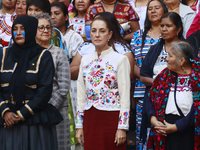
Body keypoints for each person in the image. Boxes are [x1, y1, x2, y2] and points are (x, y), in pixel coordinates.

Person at [0, 15, 62, 150]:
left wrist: (20, 115)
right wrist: (5, 112)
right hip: (6, 122)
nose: (18, 33)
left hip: (35, 123)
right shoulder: (3, 54)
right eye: (15, 29)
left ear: (31, 30)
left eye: (23, 29)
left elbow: (44, 92)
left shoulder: (43, 56)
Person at [76, 15, 130, 150]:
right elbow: (81, 95)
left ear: (110, 34)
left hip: (112, 117)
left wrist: (122, 127)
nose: (97, 35)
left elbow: (125, 96)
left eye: (102, 31)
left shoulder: (120, 59)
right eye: (93, 31)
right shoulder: (85, 60)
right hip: (90, 118)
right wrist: (79, 125)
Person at [139, 12, 184, 145]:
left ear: (178, 29)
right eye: (162, 25)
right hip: (155, 103)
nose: (164, 29)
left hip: (181, 103)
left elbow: (192, 75)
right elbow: (143, 76)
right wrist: (161, 84)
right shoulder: (154, 50)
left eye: (168, 26)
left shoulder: (186, 49)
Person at [146, 41, 200, 150]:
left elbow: (198, 108)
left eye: (170, 56)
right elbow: (150, 98)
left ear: (181, 61)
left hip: (189, 130)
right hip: (163, 129)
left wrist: (177, 126)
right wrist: (153, 119)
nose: (166, 59)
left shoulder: (197, 78)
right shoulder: (164, 76)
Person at [130, 0, 168, 149]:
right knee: (142, 131)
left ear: (164, 11)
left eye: (157, 8)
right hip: (142, 90)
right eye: (150, 8)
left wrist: (159, 82)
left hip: (166, 91)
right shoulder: (139, 35)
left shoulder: (168, 34)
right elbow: (132, 63)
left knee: (162, 129)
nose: (152, 11)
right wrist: (147, 78)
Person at [34, 13, 71, 150]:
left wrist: (46, 109)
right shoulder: (29, 53)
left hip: (55, 111)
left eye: (48, 27)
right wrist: (33, 108)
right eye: (41, 27)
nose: (45, 30)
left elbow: (63, 87)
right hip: (32, 112)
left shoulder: (58, 53)